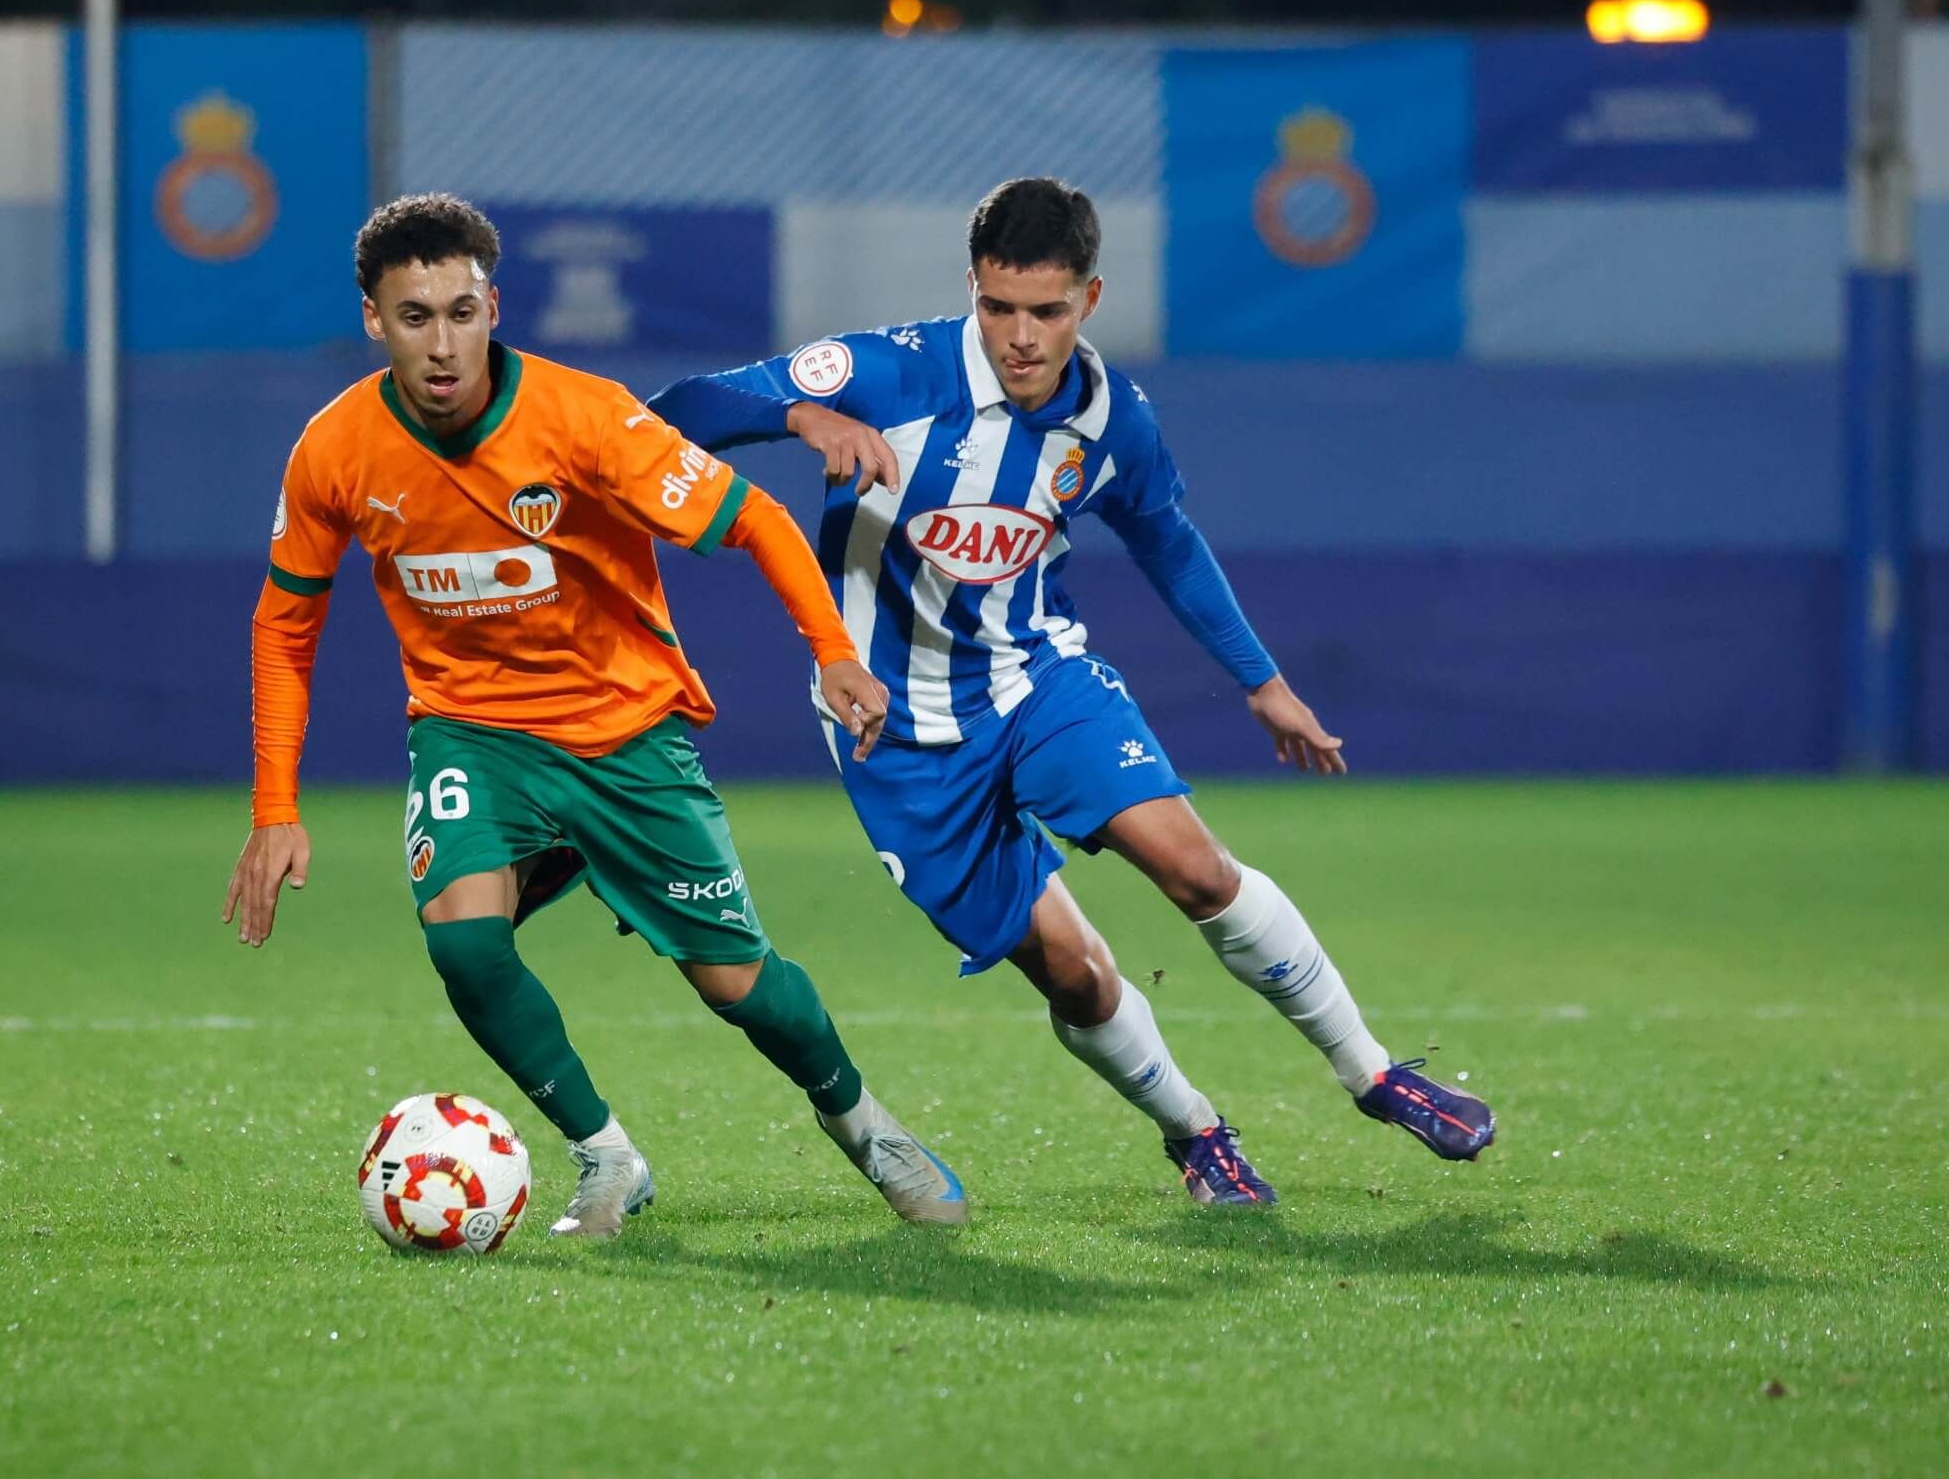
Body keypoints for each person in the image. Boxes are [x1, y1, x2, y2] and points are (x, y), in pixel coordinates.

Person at [643, 177, 1495, 1205]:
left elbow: (1167, 540)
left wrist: (1262, 683)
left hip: (1034, 679)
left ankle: (1372, 1070)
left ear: (1087, 299)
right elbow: (671, 414)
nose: (1018, 335)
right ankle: (1194, 1130)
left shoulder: (1113, 419)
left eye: (1044, 310)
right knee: (1078, 974)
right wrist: (800, 416)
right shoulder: (886, 370)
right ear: (972, 289)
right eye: (997, 306)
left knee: (1195, 869)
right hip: (896, 733)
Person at [224, 193, 967, 1239]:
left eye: (460, 310)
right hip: (471, 731)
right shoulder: (335, 448)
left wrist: (835, 654)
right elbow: (281, 626)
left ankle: (863, 1123)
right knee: (467, 948)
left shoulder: (581, 417)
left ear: (494, 305)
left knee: (735, 982)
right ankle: (605, 1156)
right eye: (414, 316)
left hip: (623, 732)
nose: (442, 344)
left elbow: (751, 517)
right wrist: (274, 805)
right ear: (372, 321)